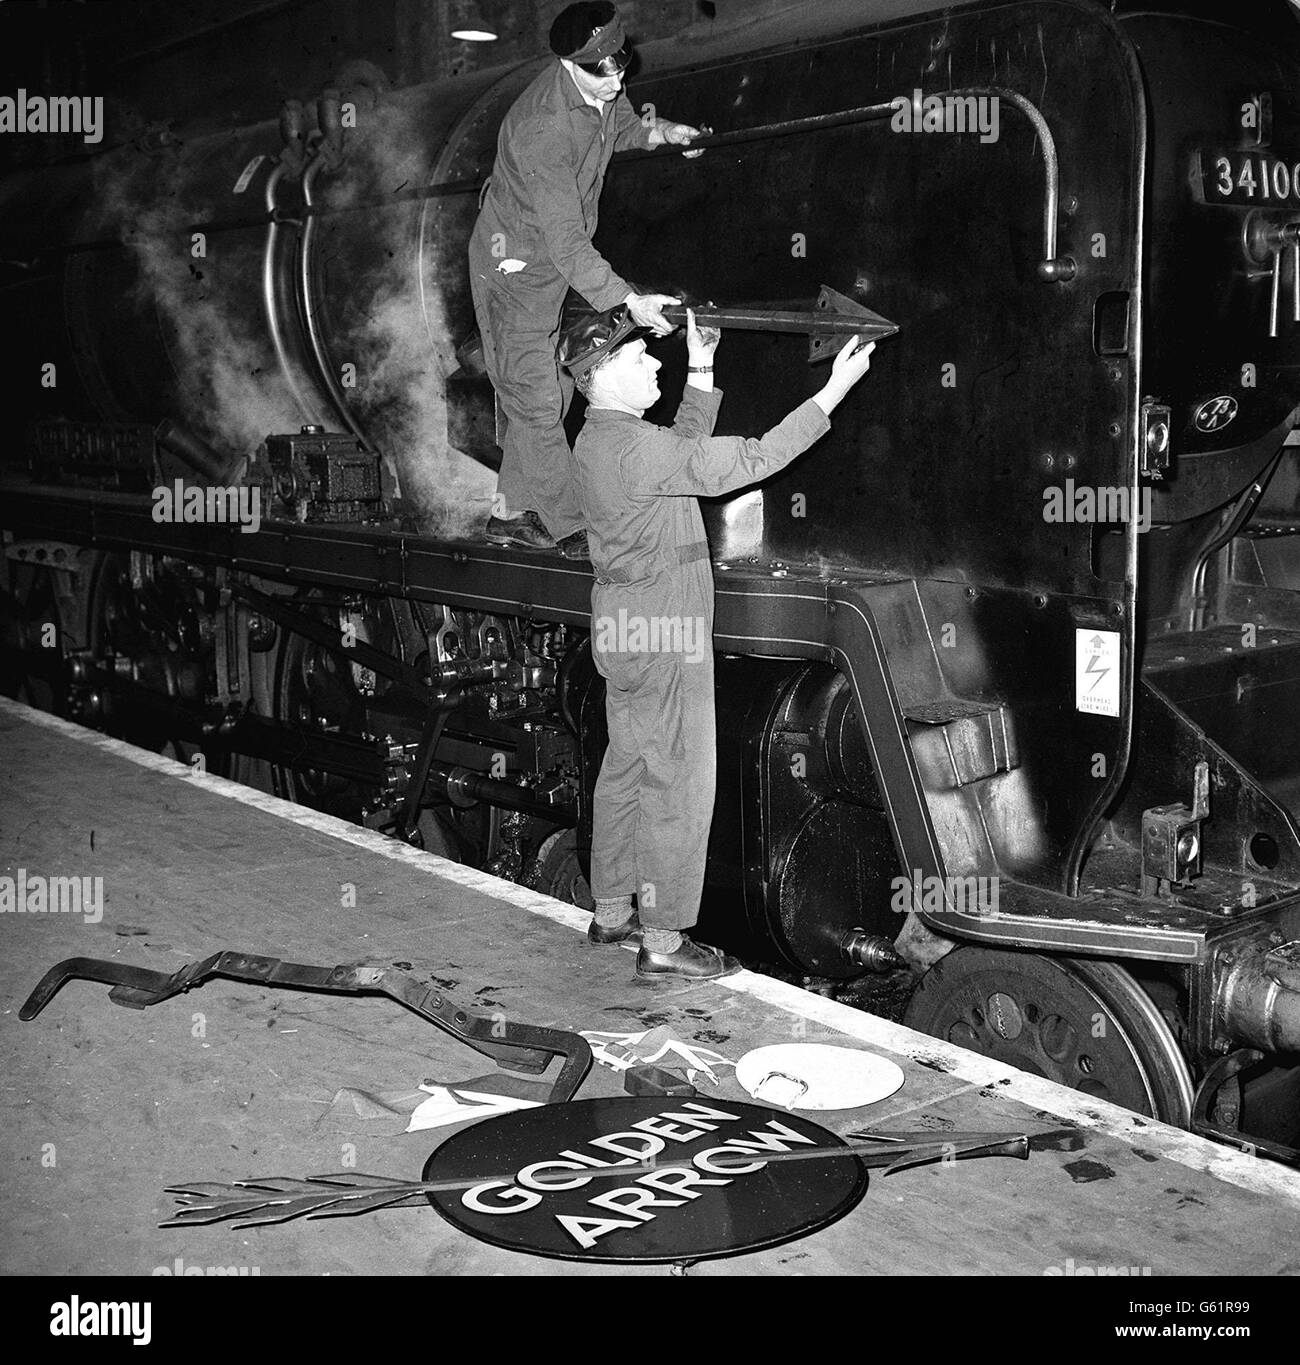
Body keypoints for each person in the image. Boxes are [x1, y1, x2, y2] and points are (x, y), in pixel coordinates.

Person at [560, 303, 878, 980]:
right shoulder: (639, 449)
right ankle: (665, 944)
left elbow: (680, 449)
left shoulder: (598, 440)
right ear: (598, 374)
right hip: (666, 626)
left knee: (626, 767)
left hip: (622, 622)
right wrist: (832, 394)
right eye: (636, 358)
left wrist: (702, 365)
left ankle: (612, 907)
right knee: (678, 781)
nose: (654, 363)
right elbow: (748, 458)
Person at [468, 1, 703, 558]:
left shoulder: (602, 84)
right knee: (536, 398)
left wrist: (661, 132)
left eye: (621, 66)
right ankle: (575, 525)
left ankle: (509, 514)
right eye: (603, 72)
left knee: (563, 382)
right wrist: (630, 302)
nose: (616, 79)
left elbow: (617, 126)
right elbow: (568, 244)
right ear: (569, 66)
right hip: (516, 270)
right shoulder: (542, 130)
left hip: (553, 265)